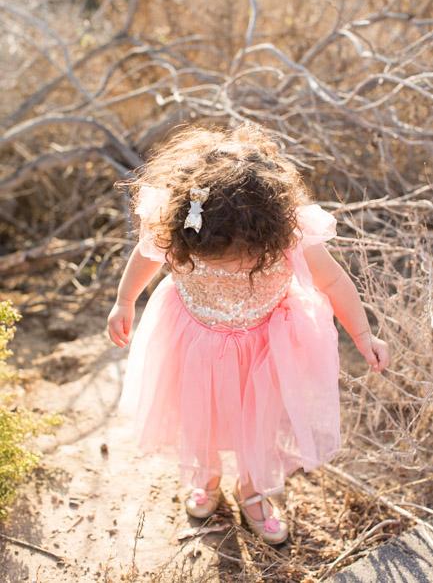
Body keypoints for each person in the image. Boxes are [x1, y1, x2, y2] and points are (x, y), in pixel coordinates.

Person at [107, 125, 389, 545]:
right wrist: (125, 300)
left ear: (268, 236)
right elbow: (145, 255)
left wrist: (363, 333)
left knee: (259, 420)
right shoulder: (178, 223)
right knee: (198, 412)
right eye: (214, 261)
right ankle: (206, 475)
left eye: (240, 262)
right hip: (195, 340)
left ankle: (253, 489)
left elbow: (335, 283)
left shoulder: (290, 234)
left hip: (265, 346)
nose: (227, 271)